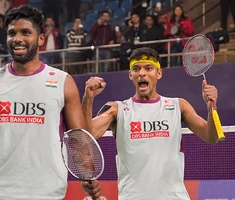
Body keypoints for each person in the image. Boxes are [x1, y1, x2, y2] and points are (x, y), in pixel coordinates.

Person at [0, 5, 100, 200]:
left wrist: (87, 176)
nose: (17, 39)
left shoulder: (63, 82)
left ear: (41, 38)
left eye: (26, 32)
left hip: (48, 194)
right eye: (12, 33)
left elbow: (78, 141)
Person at [82, 47, 220, 199]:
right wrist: (88, 99)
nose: (142, 73)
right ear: (130, 75)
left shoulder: (178, 105)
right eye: (136, 69)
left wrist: (211, 107)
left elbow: (211, 137)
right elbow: (87, 135)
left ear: (159, 73)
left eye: (148, 68)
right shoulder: (117, 109)